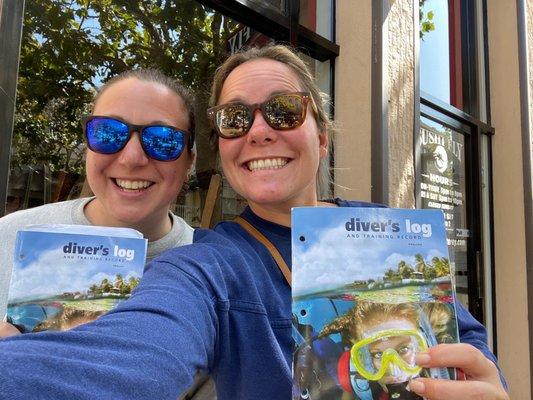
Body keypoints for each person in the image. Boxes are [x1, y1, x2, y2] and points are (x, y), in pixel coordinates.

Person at [0, 45, 508, 400]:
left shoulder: (390, 235)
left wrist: (488, 384)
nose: (260, 131)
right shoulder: (204, 265)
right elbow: (143, 353)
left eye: (284, 111)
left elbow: (466, 346)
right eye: (236, 118)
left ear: (322, 135)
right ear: (221, 150)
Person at [0, 69, 196, 320]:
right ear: (87, 148)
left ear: (190, 160)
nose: (132, 158)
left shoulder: (210, 268)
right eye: (108, 133)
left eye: (163, 140)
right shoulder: (8, 237)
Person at [315, 301, 455, 399]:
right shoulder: (352, 375)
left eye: (404, 349)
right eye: (377, 354)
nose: (393, 370)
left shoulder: (448, 374)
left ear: (424, 343)